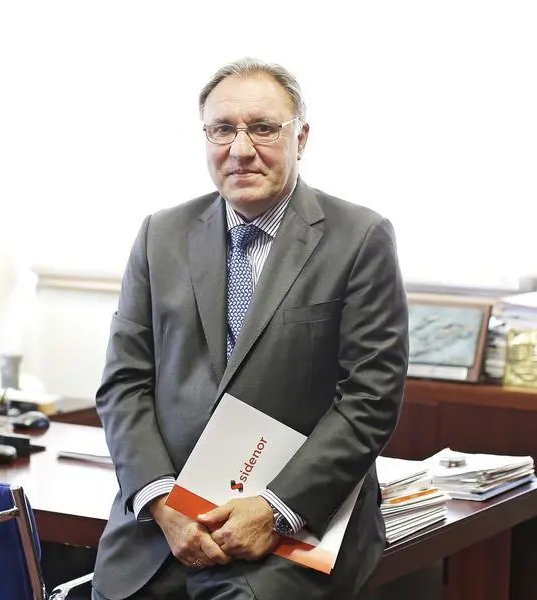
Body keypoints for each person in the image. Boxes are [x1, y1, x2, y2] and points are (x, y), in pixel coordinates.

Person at [92, 57, 409, 600]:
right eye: (222, 129)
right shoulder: (159, 235)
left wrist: (275, 508)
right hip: (164, 523)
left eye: (263, 128)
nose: (240, 149)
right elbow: (124, 383)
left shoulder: (359, 238)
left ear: (300, 138)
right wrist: (161, 501)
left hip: (293, 526)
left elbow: (370, 396)